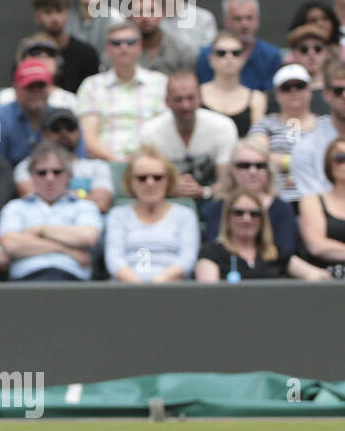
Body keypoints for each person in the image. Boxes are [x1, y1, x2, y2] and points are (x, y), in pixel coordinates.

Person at [0, 142, 104, 281]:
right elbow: (12, 245)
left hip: (71, 282)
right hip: (25, 282)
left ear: (69, 176)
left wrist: (40, 230)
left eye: (57, 172)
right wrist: (66, 249)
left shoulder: (85, 206)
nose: (49, 178)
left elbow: (88, 237)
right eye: (42, 173)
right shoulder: (15, 207)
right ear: (32, 176)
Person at [138, 70, 238, 204]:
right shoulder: (150, 131)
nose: (185, 105)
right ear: (167, 101)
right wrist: (170, 188)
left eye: (190, 98)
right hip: (165, 200)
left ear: (200, 98)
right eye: (178, 99)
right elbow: (144, 179)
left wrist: (205, 191)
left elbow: (227, 180)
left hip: (213, 200)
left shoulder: (223, 126)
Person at [104, 146, 200, 282]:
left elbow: (187, 258)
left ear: (168, 181)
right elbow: (114, 259)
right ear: (130, 182)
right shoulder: (117, 214)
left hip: (173, 290)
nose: (150, 183)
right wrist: (138, 285)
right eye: (142, 178)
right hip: (126, 290)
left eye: (157, 177)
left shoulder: (185, 215)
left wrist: (158, 282)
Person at [76, 20, 168, 163]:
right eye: (116, 43)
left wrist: (140, 164)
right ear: (107, 49)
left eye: (130, 42)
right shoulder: (91, 85)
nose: (124, 47)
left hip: (152, 165)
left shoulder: (161, 83)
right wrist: (118, 163)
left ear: (140, 47)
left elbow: (167, 132)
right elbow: (88, 137)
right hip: (105, 164)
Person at [199, 136, 298, 258]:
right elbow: (214, 250)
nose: (253, 171)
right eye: (244, 165)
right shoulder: (216, 208)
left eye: (260, 165)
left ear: (269, 170)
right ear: (232, 170)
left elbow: (286, 251)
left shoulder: (283, 208)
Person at [196, 190, 326, 281]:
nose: (247, 219)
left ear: (263, 219)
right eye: (238, 213)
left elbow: (318, 276)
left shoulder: (274, 253)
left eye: (254, 214)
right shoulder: (211, 253)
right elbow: (209, 296)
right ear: (227, 218)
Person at [14, 107, 114, 212]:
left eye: (70, 128)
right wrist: (81, 195)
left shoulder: (97, 166)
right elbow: (31, 198)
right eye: (56, 128)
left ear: (78, 132)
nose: (64, 133)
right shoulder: (27, 165)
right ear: (44, 133)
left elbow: (101, 203)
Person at [250, 63, 317, 203]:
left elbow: (333, 158)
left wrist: (280, 161)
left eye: (300, 86)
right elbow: (256, 155)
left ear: (309, 90)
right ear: (277, 94)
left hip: (319, 197)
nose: (294, 91)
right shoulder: (265, 124)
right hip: (275, 200)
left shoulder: (325, 124)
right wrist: (297, 163)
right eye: (286, 88)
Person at [194, 0, 283, 92]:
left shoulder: (271, 55)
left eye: (249, 18)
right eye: (238, 18)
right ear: (225, 21)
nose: (244, 24)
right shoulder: (207, 54)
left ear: (257, 20)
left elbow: (272, 96)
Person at [27, 0, 101, 94]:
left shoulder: (86, 53)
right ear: (37, 17)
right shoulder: (28, 52)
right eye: (48, 12)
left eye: (59, 11)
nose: (55, 18)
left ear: (67, 14)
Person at [0, 59, 58, 167]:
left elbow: (78, 162)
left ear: (51, 87)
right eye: (30, 86)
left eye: (41, 86)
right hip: (5, 181)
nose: (36, 91)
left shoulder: (63, 120)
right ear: (15, 88)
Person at [290, 58, 345, 197]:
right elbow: (314, 201)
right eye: (339, 90)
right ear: (326, 94)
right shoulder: (306, 148)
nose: (344, 95)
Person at [199, 32, 267, 137]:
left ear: (243, 59)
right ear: (211, 59)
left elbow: (258, 137)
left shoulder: (256, 98)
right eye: (221, 53)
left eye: (236, 53)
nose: (229, 57)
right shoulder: (197, 94)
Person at [296, 135, 345, 277]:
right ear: (329, 163)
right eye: (340, 158)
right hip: (328, 277)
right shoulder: (312, 200)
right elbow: (316, 245)